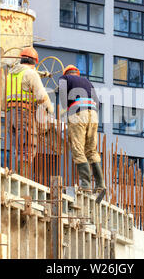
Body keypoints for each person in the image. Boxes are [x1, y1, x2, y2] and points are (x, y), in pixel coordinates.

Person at [59, 65, 106, 200]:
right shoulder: (87, 81)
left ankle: (85, 185)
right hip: (93, 115)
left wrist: (67, 108)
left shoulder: (64, 78)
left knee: (78, 148)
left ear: (67, 73)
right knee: (91, 150)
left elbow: (63, 99)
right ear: (77, 73)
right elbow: (98, 103)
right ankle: (100, 184)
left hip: (78, 113)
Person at [6, 47, 54, 172]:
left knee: (18, 146)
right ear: (34, 62)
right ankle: (24, 177)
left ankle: (17, 172)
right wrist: (50, 109)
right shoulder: (30, 73)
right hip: (23, 113)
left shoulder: (11, 74)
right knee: (28, 145)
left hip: (10, 114)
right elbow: (41, 95)